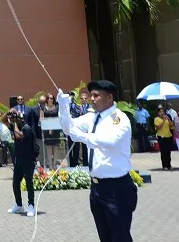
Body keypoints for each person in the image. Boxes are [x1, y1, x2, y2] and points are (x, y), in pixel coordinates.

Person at [58, 80, 136, 242]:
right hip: (97, 188)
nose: (91, 99)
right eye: (91, 95)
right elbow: (69, 128)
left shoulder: (119, 118)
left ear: (109, 97)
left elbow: (109, 140)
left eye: (96, 95)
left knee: (119, 237)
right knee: (105, 237)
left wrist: (81, 136)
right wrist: (63, 107)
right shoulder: (92, 117)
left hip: (117, 189)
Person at [6, 109, 36, 217]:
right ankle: (19, 204)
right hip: (18, 160)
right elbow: (3, 121)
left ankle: (31, 205)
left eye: (17, 118)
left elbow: (19, 135)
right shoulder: (15, 127)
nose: (15, 120)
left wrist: (14, 123)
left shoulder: (27, 128)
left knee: (29, 183)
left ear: (21, 118)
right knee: (15, 183)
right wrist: (9, 114)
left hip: (28, 160)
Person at [41, 94, 60, 168]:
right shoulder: (43, 108)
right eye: (48, 98)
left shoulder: (57, 107)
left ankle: (55, 164)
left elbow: (60, 117)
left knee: (55, 147)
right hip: (47, 130)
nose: (49, 99)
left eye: (51, 98)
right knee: (49, 147)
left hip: (56, 129)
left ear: (53, 99)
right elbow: (41, 119)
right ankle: (50, 164)